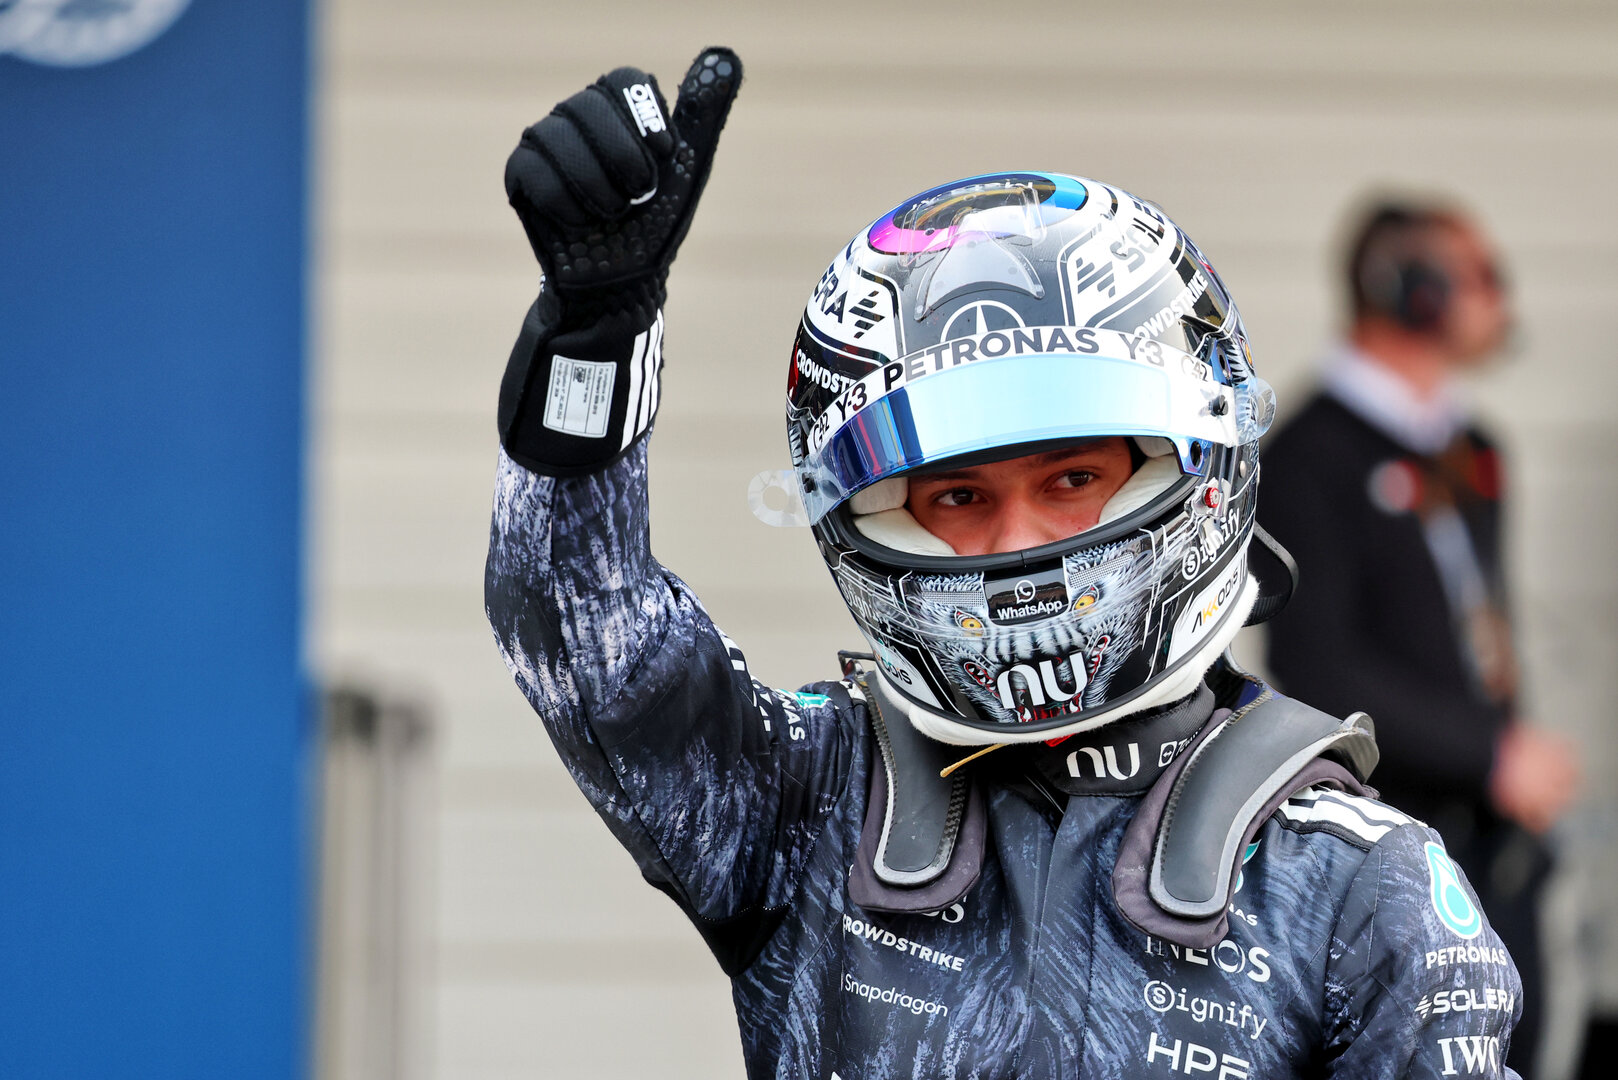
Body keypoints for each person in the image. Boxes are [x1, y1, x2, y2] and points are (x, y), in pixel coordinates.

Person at [486, 49, 1523, 1078]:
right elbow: (590, 647)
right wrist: (592, 343)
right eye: (958, 499)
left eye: (1071, 479)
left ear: (1199, 472)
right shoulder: (808, 802)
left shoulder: (1360, 885)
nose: (1017, 542)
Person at [1259, 201, 1580, 1076]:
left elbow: (1479, 631)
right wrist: (1489, 755)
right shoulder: (1307, 459)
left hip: (1494, 837)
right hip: (1392, 832)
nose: (1500, 302)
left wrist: (1506, 752)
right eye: (1482, 277)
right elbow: (1314, 666)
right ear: (1414, 291)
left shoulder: (1473, 448)